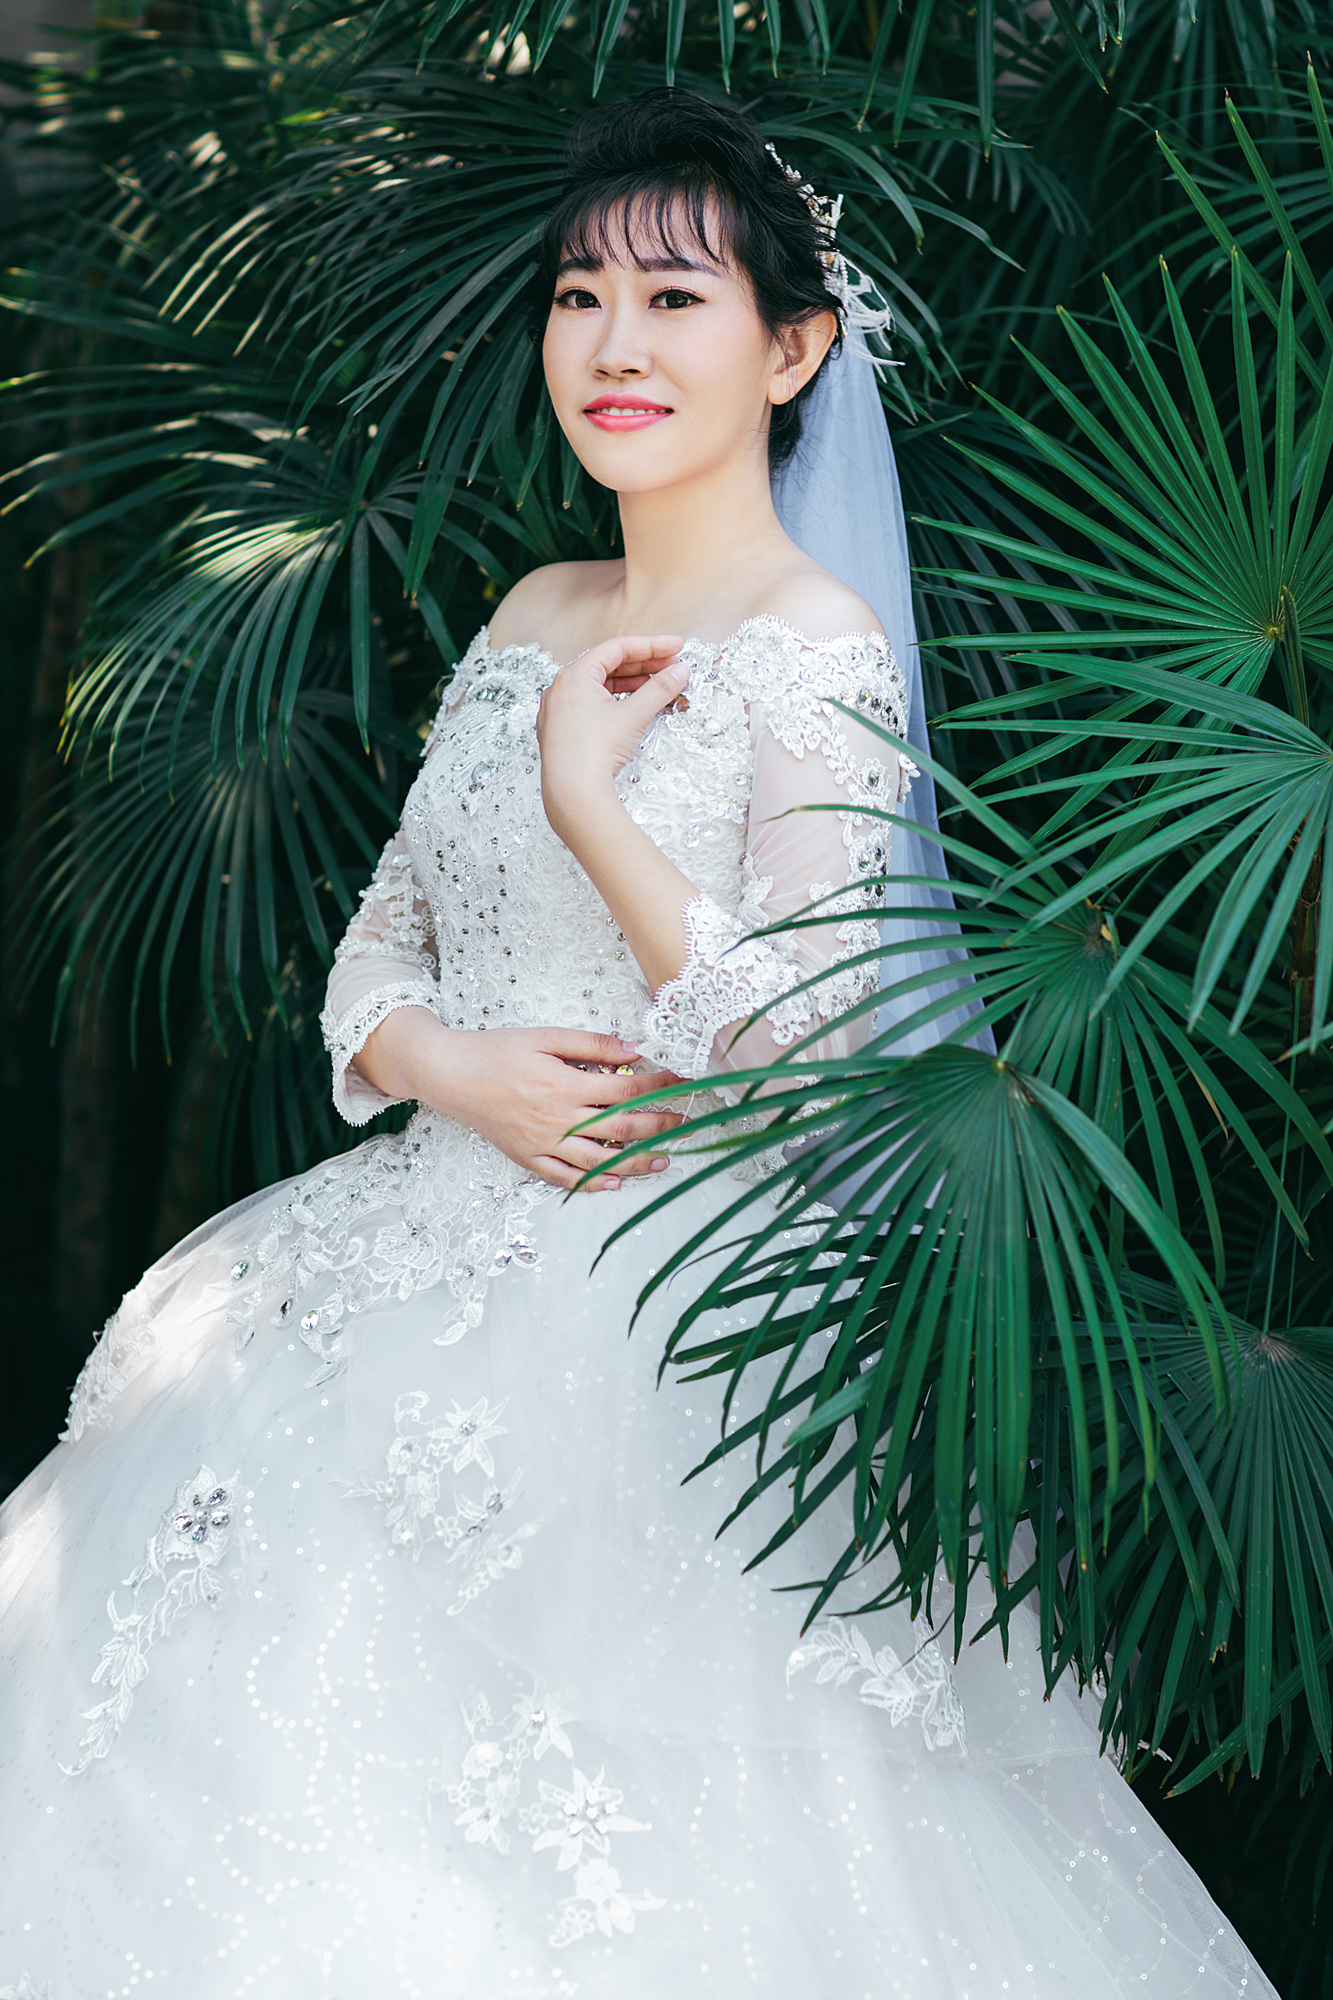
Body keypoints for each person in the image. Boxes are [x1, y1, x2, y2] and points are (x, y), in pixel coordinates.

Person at [0, 89, 1270, 2000]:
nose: (613, 342)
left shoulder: (816, 642)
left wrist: (591, 802)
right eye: (579, 295)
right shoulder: (535, 610)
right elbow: (378, 949)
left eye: (675, 299)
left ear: (793, 350)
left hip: (669, 1308)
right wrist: (449, 1069)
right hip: (388, 1259)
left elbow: (808, 1041)